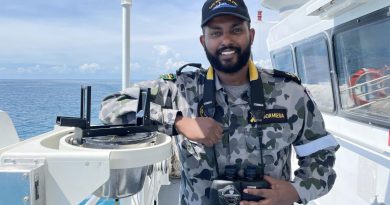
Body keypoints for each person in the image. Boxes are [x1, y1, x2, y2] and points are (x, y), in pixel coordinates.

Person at [99, 0, 339, 204]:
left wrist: (295, 191)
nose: (226, 40)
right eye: (215, 32)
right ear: (203, 41)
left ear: (251, 35)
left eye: (235, 30)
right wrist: (178, 122)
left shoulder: (290, 92)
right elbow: (111, 106)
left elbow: (321, 153)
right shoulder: (181, 89)